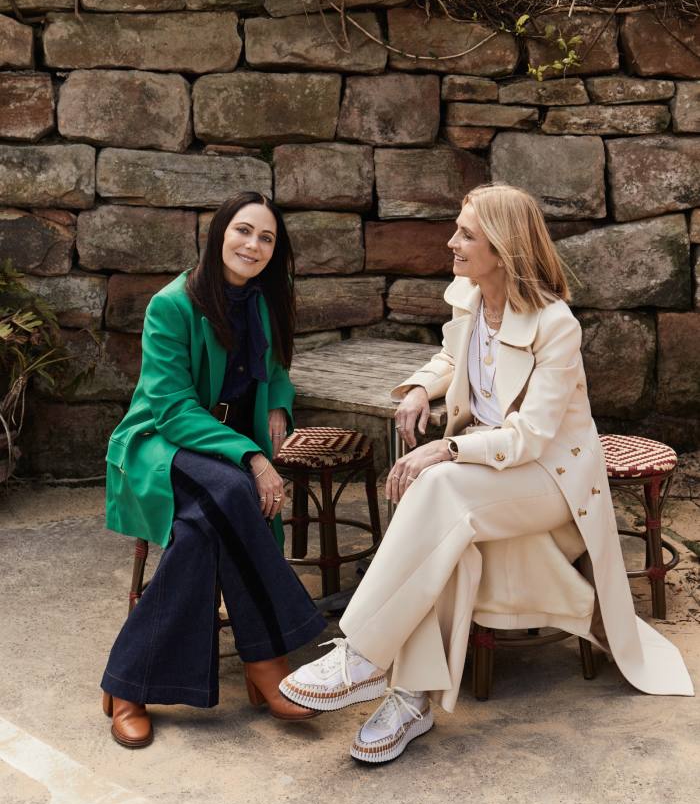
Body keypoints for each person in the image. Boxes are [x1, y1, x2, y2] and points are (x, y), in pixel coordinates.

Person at [279, 182, 693, 764]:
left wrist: (443, 451)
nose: (452, 241)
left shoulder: (556, 325)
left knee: (438, 481)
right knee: (438, 513)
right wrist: (424, 387)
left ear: (502, 247)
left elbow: (530, 438)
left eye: (466, 233)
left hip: (552, 479)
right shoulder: (469, 295)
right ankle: (408, 696)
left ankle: (364, 655)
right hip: (490, 462)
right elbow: (454, 356)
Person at [101, 192, 326, 748]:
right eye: (243, 231)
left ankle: (126, 681)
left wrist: (277, 401)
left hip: (223, 446)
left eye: (266, 238)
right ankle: (270, 657)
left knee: (206, 528)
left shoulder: (267, 297)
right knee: (233, 489)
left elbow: (274, 366)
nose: (253, 245)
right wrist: (251, 456)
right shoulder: (172, 304)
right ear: (219, 233)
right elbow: (172, 408)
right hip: (162, 442)